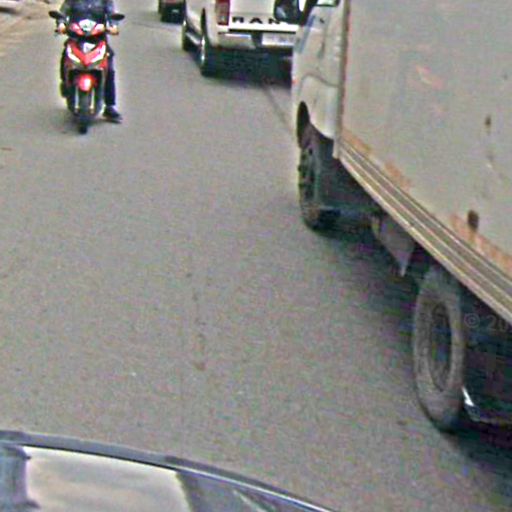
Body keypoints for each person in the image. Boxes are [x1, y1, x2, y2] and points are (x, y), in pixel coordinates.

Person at [57, 0, 122, 121]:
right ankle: (65, 83)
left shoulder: (105, 1)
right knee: (65, 58)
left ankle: (109, 106)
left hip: (98, 40)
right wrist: (61, 24)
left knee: (109, 69)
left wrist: (113, 26)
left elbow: (112, 14)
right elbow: (63, 12)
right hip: (76, 39)